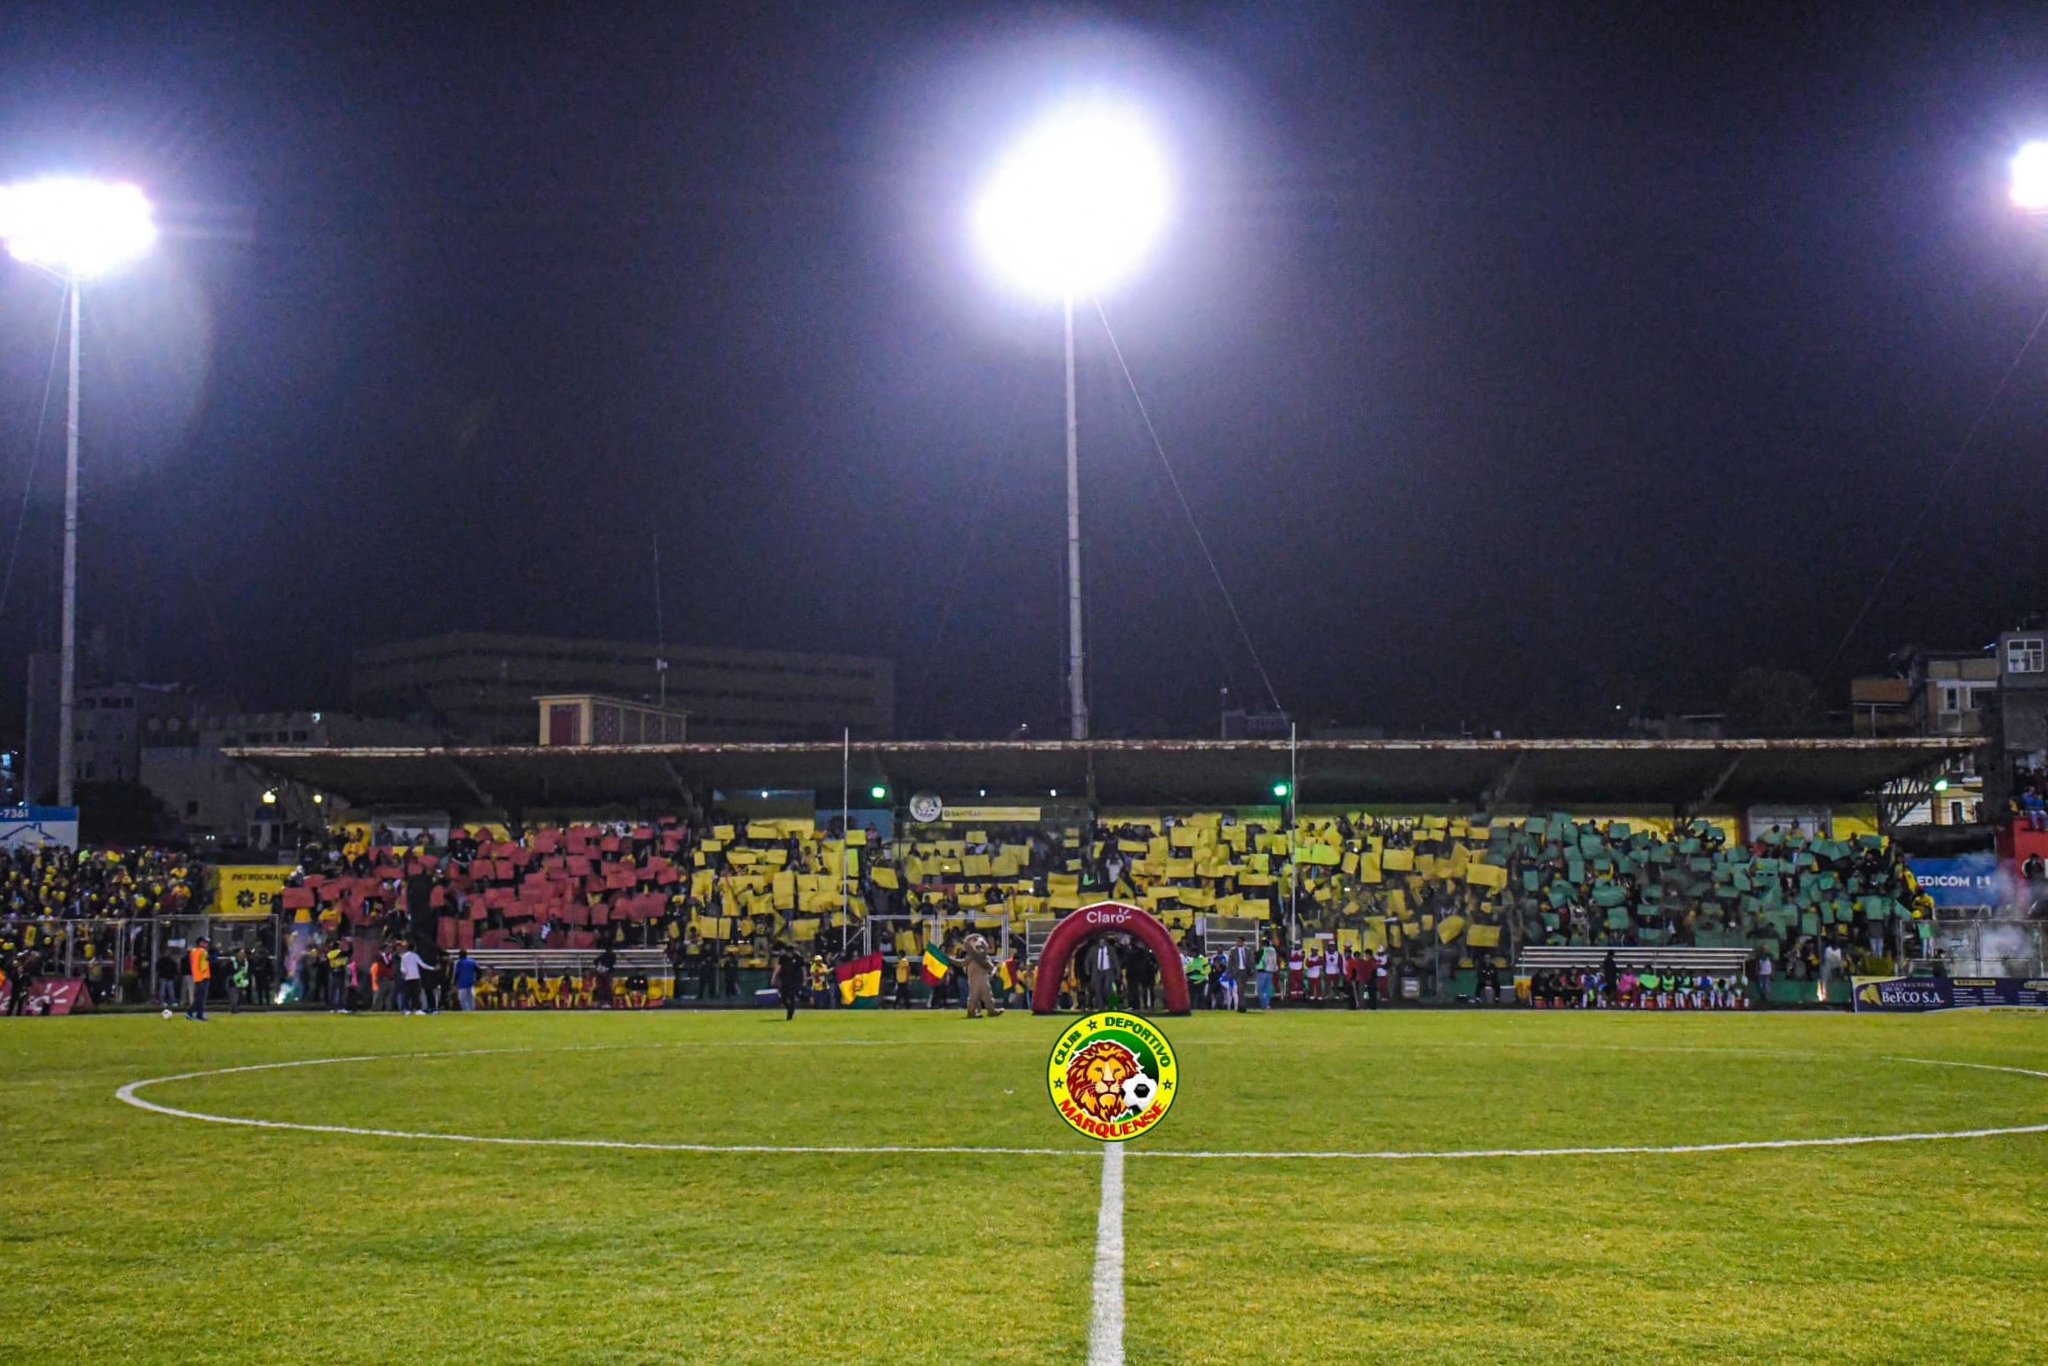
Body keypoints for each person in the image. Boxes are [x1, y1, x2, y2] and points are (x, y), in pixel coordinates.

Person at [958, 933, 1002, 1019]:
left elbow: (990, 966)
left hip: (983, 978)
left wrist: (991, 973)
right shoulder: (971, 957)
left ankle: (991, 1010)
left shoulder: (983, 957)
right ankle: (972, 1012)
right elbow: (962, 963)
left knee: (987, 995)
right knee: (973, 997)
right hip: (973, 979)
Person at [774, 947, 805, 1021]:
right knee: (783, 997)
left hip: (795, 980)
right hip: (785, 980)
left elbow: (803, 969)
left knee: (792, 996)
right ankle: (789, 1008)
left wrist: (804, 979)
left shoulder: (798, 958)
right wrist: (774, 976)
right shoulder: (783, 958)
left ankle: (790, 1014)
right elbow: (778, 967)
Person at [186, 937, 212, 1022]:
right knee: (200, 997)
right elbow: (204, 964)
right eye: (205, 942)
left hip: (197, 977)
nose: (206, 944)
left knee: (200, 997)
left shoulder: (193, 952)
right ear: (200, 943)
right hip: (203, 976)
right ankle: (191, 1012)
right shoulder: (202, 952)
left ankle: (199, 1014)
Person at [398, 943, 425, 1015]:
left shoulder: (404, 956)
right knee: (415, 994)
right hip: (415, 977)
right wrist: (432, 968)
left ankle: (406, 1009)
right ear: (413, 948)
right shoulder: (415, 955)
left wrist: (404, 974)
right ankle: (416, 1009)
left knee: (407, 994)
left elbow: (402, 967)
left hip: (408, 977)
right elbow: (422, 964)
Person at [1255, 939, 1278, 1011]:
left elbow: (1257, 960)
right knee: (1267, 989)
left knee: (1260, 990)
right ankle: (1267, 1004)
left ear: (1263, 944)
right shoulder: (1273, 950)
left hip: (1262, 971)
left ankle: (1265, 1005)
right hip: (1271, 972)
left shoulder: (1262, 950)